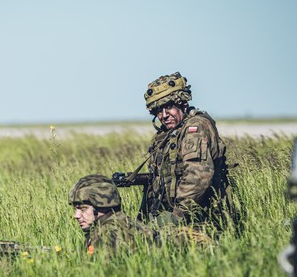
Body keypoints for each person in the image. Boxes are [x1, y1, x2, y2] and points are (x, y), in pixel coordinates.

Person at [142, 72, 232, 226]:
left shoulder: (195, 127)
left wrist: (176, 217)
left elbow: (198, 176)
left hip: (203, 219)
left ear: (182, 103)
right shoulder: (166, 134)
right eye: (158, 110)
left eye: (169, 107)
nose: (164, 115)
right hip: (180, 217)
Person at [68, 174, 154, 254]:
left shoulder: (107, 234)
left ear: (101, 205)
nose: (76, 215)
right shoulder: (128, 223)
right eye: (75, 209)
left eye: (83, 209)